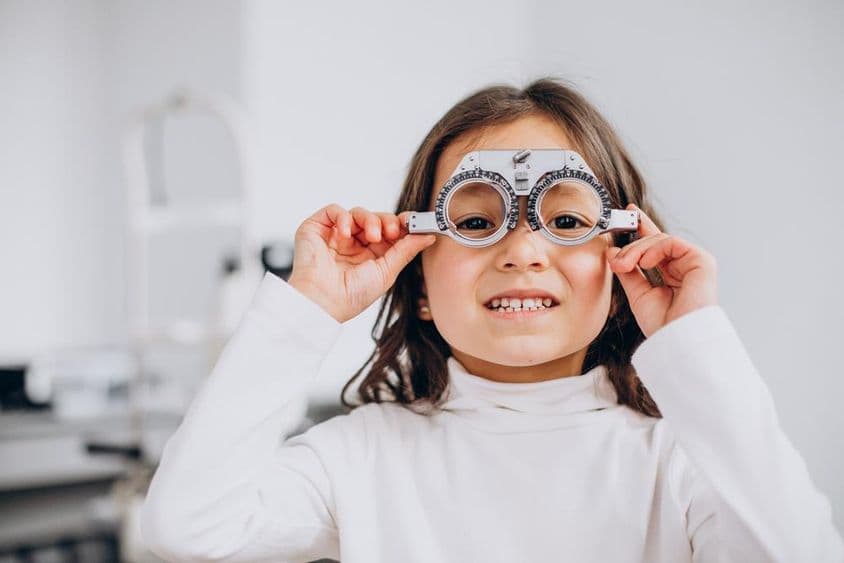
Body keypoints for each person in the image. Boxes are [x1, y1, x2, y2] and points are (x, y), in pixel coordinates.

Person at [140, 78, 844, 562]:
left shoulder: (680, 463)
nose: (523, 249)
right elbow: (187, 527)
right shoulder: (360, 455)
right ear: (416, 280)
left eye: (566, 219)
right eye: (475, 221)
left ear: (625, 258)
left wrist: (693, 341)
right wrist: (307, 308)